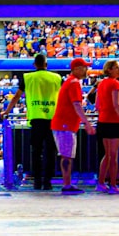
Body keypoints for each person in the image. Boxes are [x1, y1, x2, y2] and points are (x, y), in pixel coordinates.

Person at [4, 53, 62, 190]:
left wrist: (7, 112)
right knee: (50, 152)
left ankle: (37, 181)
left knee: (36, 152)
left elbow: (16, 97)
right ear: (46, 64)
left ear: (34, 65)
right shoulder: (57, 78)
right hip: (52, 119)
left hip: (36, 119)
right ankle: (47, 182)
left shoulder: (28, 77)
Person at [50, 58, 96, 195]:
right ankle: (67, 184)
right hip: (65, 125)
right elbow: (76, 105)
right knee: (66, 156)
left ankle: (67, 183)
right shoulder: (74, 83)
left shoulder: (70, 82)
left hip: (64, 124)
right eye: (84, 67)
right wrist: (87, 123)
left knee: (67, 155)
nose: (86, 70)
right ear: (76, 68)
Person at [95, 60, 119, 194]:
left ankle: (101, 182)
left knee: (107, 155)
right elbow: (116, 104)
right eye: (117, 68)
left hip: (102, 121)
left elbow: (97, 104)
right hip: (113, 122)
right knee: (114, 155)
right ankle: (113, 184)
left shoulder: (101, 84)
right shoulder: (115, 83)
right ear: (110, 70)